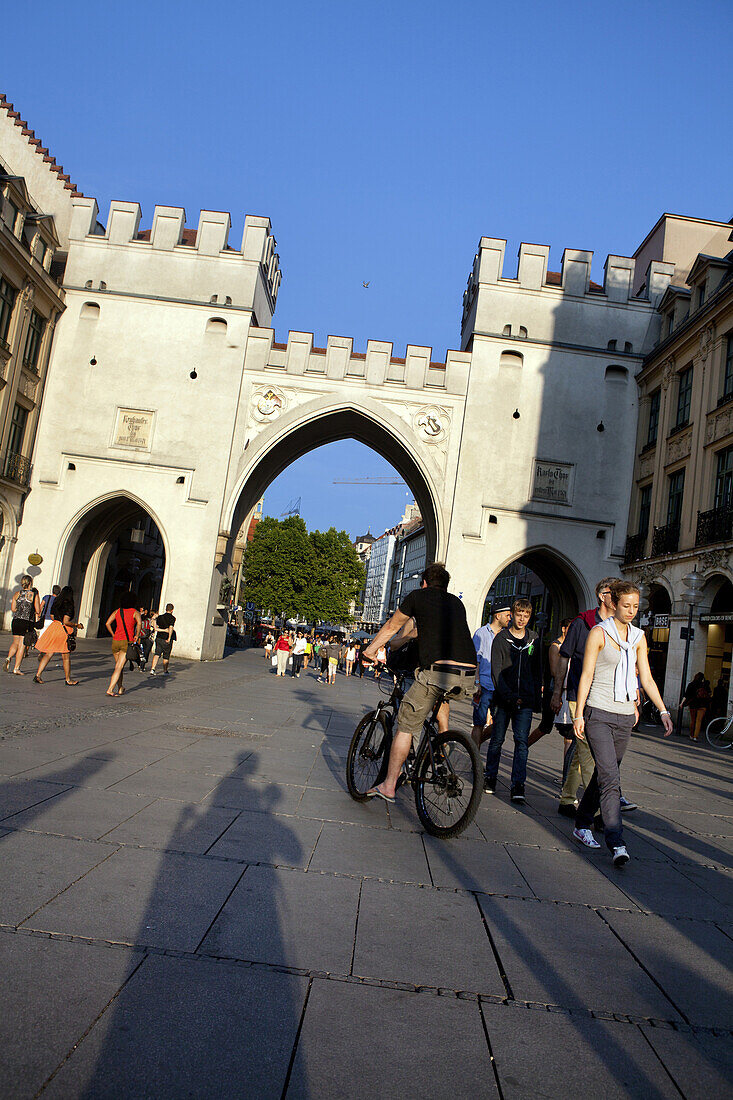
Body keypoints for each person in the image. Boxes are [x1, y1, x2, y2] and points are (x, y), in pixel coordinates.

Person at [572, 580, 673, 866]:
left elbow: (647, 678)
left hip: (625, 715)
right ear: (614, 604)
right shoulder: (598, 633)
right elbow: (587, 675)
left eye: (636, 607)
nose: (631, 611)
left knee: (606, 774)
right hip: (598, 712)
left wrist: (663, 710)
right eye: (626, 606)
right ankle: (616, 841)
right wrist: (579, 714)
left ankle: (581, 823)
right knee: (611, 780)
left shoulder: (639, 637)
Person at [362, 562, 476, 803]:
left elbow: (393, 626)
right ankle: (435, 750)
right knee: (431, 713)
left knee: (406, 725)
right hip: (467, 674)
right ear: (445, 585)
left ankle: (389, 785)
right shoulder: (456, 602)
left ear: (424, 583)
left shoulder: (417, 597)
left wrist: (371, 650)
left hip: (437, 671)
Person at [551, 578, 637, 819]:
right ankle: (599, 810)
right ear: (603, 596)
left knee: (581, 752)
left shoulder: (622, 626)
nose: (619, 598)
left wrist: (633, 696)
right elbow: (564, 657)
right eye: (614, 593)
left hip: (610, 699)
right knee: (591, 754)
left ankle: (567, 799)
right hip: (581, 695)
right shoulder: (584, 623)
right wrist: (557, 691)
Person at [484, 598, 542, 803]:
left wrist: (535, 698)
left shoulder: (534, 639)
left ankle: (518, 783)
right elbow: (496, 671)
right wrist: (508, 695)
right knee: (497, 740)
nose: (522, 619)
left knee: (521, 743)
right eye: (519, 615)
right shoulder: (501, 639)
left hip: (524, 700)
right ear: (513, 615)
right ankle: (490, 776)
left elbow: (537, 671)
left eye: (526, 616)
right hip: (504, 699)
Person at [471, 601, 512, 748]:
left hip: (501, 688)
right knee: (479, 723)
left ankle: (473, 746)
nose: (510, 618)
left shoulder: (507, 635)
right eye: (507, 615)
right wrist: (477, 682)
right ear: (497, 615)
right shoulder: (481, 634)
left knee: (499, 725)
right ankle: (474, 757)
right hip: (485, 686)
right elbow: (475, 660)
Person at [34, 586, 84, 685]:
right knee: (66, 656)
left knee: (48, 653)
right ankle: (68, 679)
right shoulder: (69, 605)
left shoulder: (56, 602)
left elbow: (52, 616)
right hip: (63, 631)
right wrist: (76, 625)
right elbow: (66, 621)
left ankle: (38, 675)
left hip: (54, 628)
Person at [105, 594, 142, 697]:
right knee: (119, 667)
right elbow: (139, 623)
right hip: (127, 642)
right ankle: (110, 689)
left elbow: (107, 623)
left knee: (118, 666)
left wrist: (113, 634)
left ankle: (120, 687)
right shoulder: (135, 612)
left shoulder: (117, 611)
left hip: (116, 641)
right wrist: (137, 635)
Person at [5, 575, 41, 675]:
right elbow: (38, 610)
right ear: (30, 583)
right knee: (22, 645)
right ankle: (16, 668)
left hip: (16, 621)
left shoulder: (17, 594)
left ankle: (8, 657)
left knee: (15, 643)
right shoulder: (34, 594)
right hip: (26, 622)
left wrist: (20, 610)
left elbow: (13, 609)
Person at [683, 672, 712, 741]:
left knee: (693, 720)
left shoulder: (691, 684)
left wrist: (682, 703)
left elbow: (686, 695)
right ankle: (696, 736)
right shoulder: (705, 685)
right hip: (703, 705)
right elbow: (709, 694)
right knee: (699, 721)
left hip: (693, 704)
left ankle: (691, 735)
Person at [149, 604, 176, 676]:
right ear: (172, 610)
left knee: (157, 654)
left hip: (159, 637)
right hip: (166, 638)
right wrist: (169, 638)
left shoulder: (160, 617)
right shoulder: (172, 618)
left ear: (166, 609)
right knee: (166, 655)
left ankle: (153, 669)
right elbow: (171, 627)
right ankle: (165, 671)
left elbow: (156, 627)